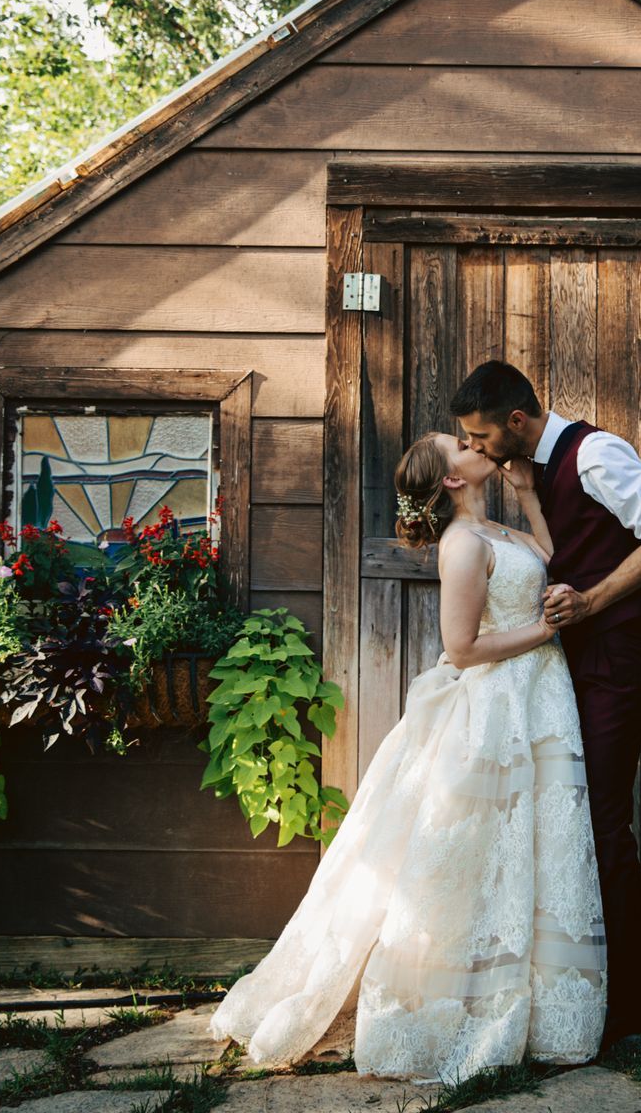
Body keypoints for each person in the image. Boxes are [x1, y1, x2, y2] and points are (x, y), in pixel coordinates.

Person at [208, 431, 607, 1085]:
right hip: (499, 706)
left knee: (538, 846)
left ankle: (539, 1010)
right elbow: (461, 647)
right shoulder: (461, 544)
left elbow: (552, 560)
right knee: (481, 854)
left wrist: (532, 498)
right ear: (451, 480)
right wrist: (548, 630)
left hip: (539, 700)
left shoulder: (501, 533)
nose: (475, 442)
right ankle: (447, 1005)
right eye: (461, 444)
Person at [450, 360, 641, 1051]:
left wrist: (591, 601)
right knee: (573, 817)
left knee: (604, 820)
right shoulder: (533, 471)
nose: (479, 448)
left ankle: (629, 1004)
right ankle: (579, 986)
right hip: (569, 661)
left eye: (481, 435)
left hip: (615, 653)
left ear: (516, 423)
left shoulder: (596, 453)